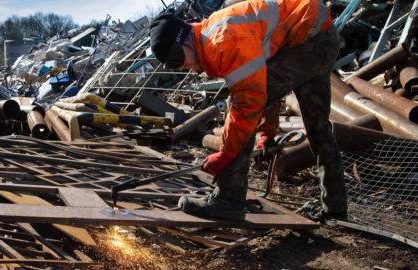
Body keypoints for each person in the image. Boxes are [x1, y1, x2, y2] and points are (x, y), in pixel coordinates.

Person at [149, 0, 348, 221]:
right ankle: (335, 208)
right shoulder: (213, 34)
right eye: (171, 67)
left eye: (175, 59)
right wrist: (268, 133)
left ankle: (228, 200)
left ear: (184, 40)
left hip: (307, 39)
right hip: (319, 35)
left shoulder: (223, 41)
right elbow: (265, 76)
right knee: (318, 126)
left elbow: (249, 103)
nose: (180, 68)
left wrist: (225, 154)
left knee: (238, 110)